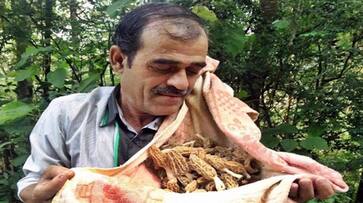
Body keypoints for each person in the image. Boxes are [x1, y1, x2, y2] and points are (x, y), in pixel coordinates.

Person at [17, 3, 335, 203]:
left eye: (193, 70)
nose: (181, 83)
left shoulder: (213, 118)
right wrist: (36, 194)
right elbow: (32, 182)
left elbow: (246, 177)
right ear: (118, 60)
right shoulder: (67, 113)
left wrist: (277, 190)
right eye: (164, 67)